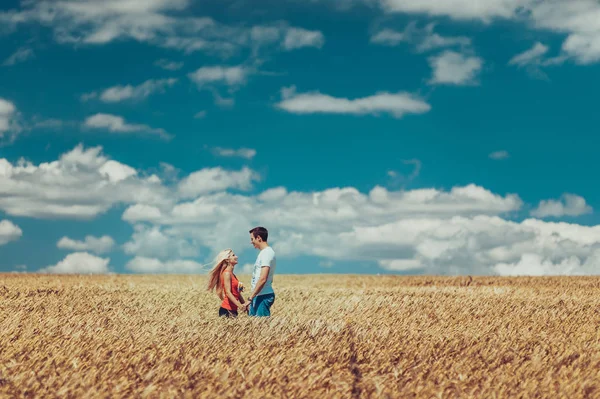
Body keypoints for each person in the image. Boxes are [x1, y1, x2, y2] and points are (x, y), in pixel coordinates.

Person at [207, 249, 248, 318]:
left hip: (234, 310)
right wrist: (240, 306)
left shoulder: (232, 275)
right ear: (227, 260)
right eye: (233, 255)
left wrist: (244, 304)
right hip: (226, 310)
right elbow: (228, 293)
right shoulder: (226, 274)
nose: (236, 257)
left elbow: (237, 293)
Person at [247, 226, 276, 317]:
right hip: (259, 295)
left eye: (252, 239)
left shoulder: (267, 253)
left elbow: (263, 278)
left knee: (261, 328)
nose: (251, 242)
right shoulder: (264, 253)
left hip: (263, 295)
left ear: (258, 238)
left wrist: (250, 298)